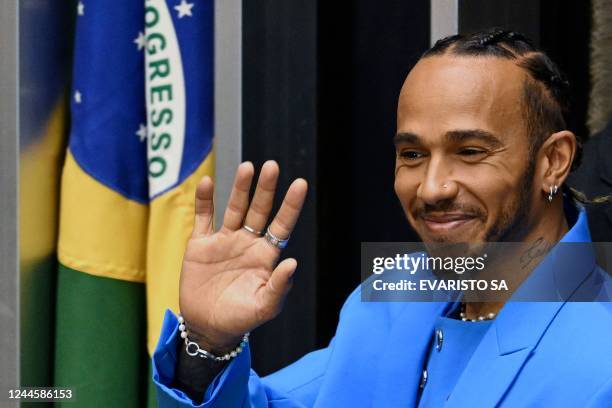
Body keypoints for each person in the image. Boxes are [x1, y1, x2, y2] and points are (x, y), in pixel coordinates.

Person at [152, 29, 612, 407]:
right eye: (412, 154)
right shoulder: (393, 301)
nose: (432, 188)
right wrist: (209, 345)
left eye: (470, 152)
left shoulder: (600, 357)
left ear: (553, 161)